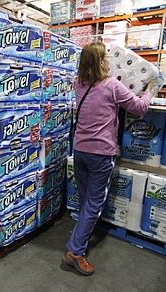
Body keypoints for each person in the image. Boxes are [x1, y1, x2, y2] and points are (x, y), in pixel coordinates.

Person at [61, 41, 154, 276]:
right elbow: (139, 108)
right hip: (100, 154)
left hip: (80, 150)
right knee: (94, 203)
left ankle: (81, 232)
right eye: (106, 58)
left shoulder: (78, 84)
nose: (109, 61)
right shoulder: (112, 85)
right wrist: (150, 89)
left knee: (85, 199)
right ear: (101, 62)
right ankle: (75, 252)